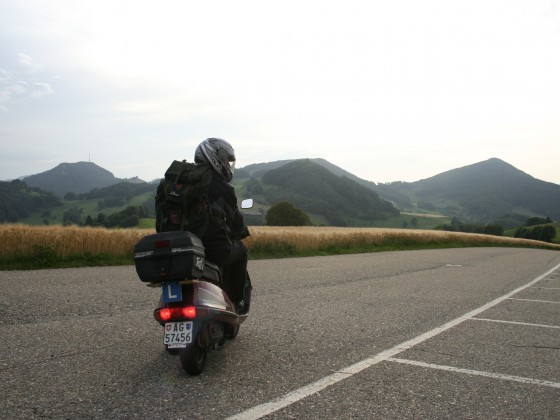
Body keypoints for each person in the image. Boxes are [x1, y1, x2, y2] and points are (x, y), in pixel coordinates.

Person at [194, 138, 250, 313]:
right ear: (214, 156)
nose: (227, 163)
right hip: (212, 247)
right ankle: (235, 300)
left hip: (178, 244)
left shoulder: (179, 179)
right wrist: (241, 231)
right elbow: (235, 220)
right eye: (225, 159)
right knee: (240, 251)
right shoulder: (220, 187)